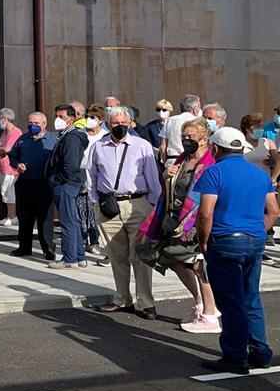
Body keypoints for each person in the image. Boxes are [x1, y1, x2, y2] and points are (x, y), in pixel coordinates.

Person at [195, 126, 279, 374]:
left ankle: (235, 355)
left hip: (225, 240)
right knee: (251, 298)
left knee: (231, 302)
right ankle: (261, 352)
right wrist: (258, 230)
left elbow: (205, 213)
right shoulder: (258, 174)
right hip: (254, 240)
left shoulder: (213, 172)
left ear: (216, 148)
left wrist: (204, 241)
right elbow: (273, 211)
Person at [138, 118, 221, 333]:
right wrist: (166, 176)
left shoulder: (212, 161)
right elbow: (169, 191)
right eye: (184, 137)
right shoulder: (182, 159)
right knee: (171, 259)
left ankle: (210, 314)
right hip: (174, 219)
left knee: (198, 265)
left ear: (204, 139)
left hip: (197, 220)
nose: (186, 141)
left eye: (191, 137)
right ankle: (201, 303)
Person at [88, 106, 161, 319]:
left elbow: (153, 178)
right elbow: (91, 175)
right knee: (116, 254)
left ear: (130, 124)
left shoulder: (142, 146)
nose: (119, 127)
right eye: (115, 123)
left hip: (137, 203)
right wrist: (94, 202)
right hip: (108, 205)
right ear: (108, 124)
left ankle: (146, 302)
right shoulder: (98, 146)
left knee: (140, 255)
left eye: (123, 123)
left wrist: (152, 206)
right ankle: (122, 298)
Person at [46, 103, 89, 269]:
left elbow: (70, 164)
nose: (58, 120)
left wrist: (57, 180)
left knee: (67, 221)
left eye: (61, 117)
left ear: (71, 119)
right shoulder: (64, 135)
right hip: (65, 183)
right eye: (56, 116)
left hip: (66, 184)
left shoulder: (71, 137)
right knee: (72, 220)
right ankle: (78, 256)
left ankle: (70, 258)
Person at [9, 112, 57, 259]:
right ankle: (24, 247)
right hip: (25, 182)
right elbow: (12, 156)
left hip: (44, 183)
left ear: (44, 124)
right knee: (24, 217)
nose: (32, 126)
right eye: (30, 123)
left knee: (44, 218)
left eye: (36, 123)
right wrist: (17, 164)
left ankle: (48, 248)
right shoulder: (23, 139)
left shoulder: (53, 140)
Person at [79, 104, 108, 254]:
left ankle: (95, 240)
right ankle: (82, 240)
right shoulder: (80, 134)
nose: (88, 120)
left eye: (92, 118)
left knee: (94, 210)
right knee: (81, 209)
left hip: (97, 176)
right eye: (87, 117)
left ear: (101, 120)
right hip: (80, 174)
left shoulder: (104, 136)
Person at [0, 108, 22, 226]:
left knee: (9, 191)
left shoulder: (16, 132)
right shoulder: (3, 133)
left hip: (11, 168)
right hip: (2, 166)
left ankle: (12, 216)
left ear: (5, 119)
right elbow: (2, 148)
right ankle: (8, 216)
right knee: (4, 192)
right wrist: (0, 149)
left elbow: (7, 149)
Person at [160, 94, 201, 166]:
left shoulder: (170, 120)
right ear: (195, 108)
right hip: (190, 161)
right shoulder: (197, 121)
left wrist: (165, 163)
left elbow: (163, 146)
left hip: (171, 161)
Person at [242, 113, 280, 184]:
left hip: (264, 183)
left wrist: (272, 162)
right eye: (257, 127)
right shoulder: (240, 144)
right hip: (245, 183)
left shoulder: (268, 143)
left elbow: (277, 161)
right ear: (247, 129)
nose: (260, 129)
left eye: (261, 126)